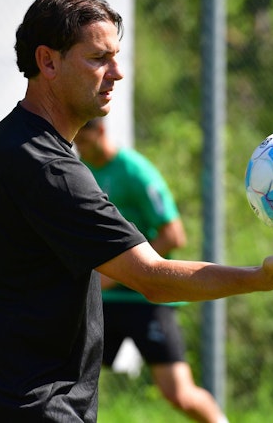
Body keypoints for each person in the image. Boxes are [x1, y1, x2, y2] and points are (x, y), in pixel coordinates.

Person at [0, 0, 273, 422]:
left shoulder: (7, 139)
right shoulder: (51, 170)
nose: (116, 73)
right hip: (37, 410)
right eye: (97, 58)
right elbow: (154, 279)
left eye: (116, 57)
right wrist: (260, 278)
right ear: (48, 61)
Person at [75, 117, 227, 423]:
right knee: (64, 381)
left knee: (179, 394)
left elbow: (174, 235)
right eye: (76, 142)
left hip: (148, 302)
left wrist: (131, 270)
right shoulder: (82, 172)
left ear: (101, 130)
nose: (79, 148)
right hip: (102, 303)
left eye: (84, 141)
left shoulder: (135, 172)